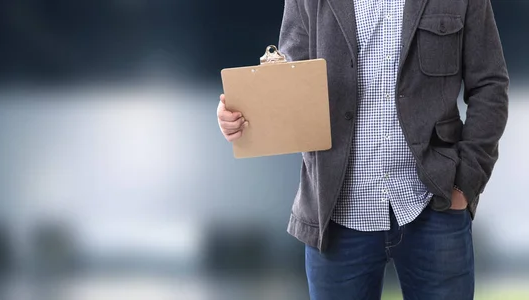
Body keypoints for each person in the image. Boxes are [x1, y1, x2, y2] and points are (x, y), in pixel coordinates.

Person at [217, 0, 509, 299]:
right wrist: (242, 116)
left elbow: (490, 84)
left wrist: (465, 183)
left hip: (435, 202)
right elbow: (288, 81)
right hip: (337, 214)